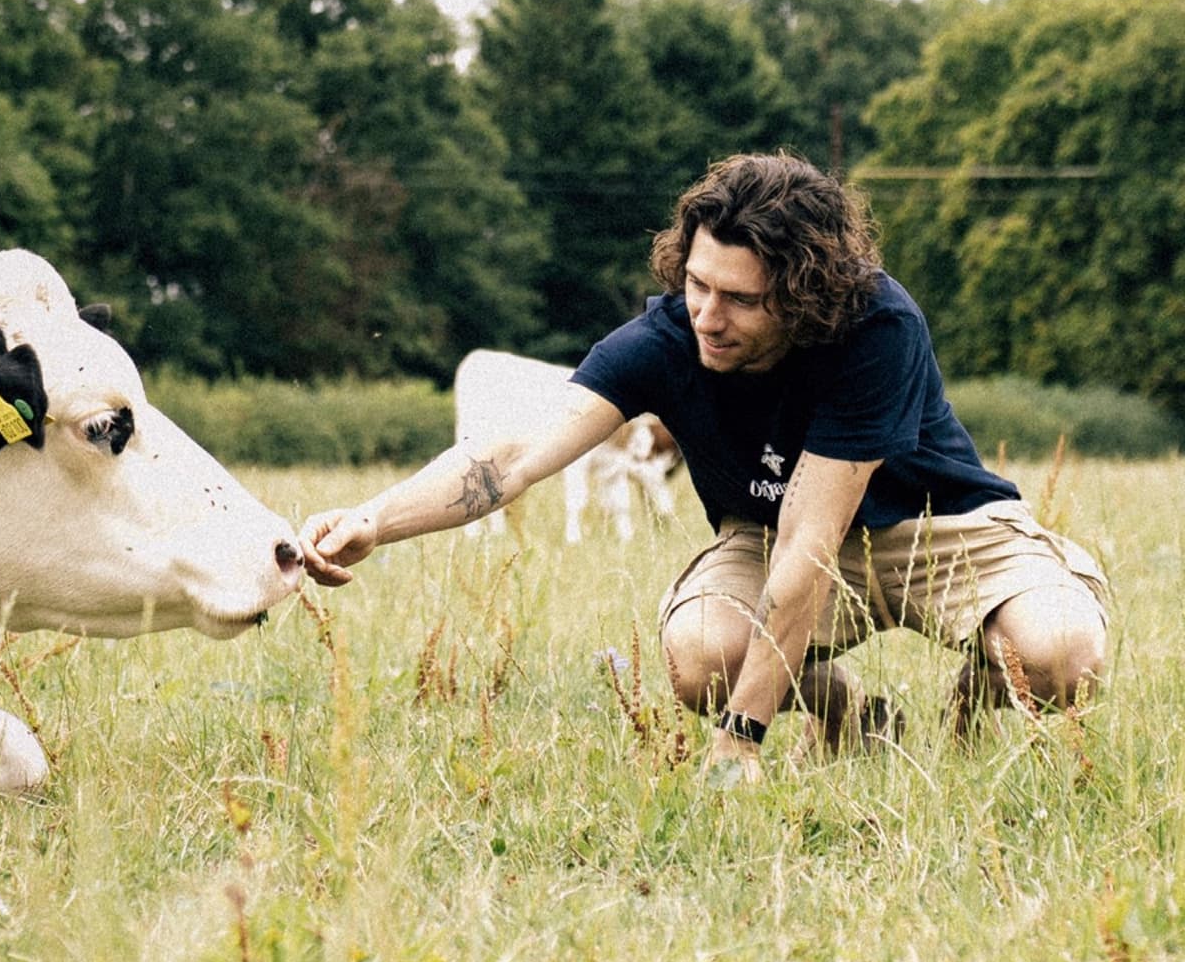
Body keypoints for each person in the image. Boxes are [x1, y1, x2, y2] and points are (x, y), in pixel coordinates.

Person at [299, 152, 1109, 782]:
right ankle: (850, 712)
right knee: (699, 659)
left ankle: (971, 701)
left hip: (940, 526)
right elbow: (513, 454)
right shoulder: (665, 341)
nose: (706, 318)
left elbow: (812, 540)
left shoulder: (876, 327)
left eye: (741, 301)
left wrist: (738, 742)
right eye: (696, 284)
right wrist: (375, 519)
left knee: (1061, 656)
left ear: (804, 295)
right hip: (771, 535)